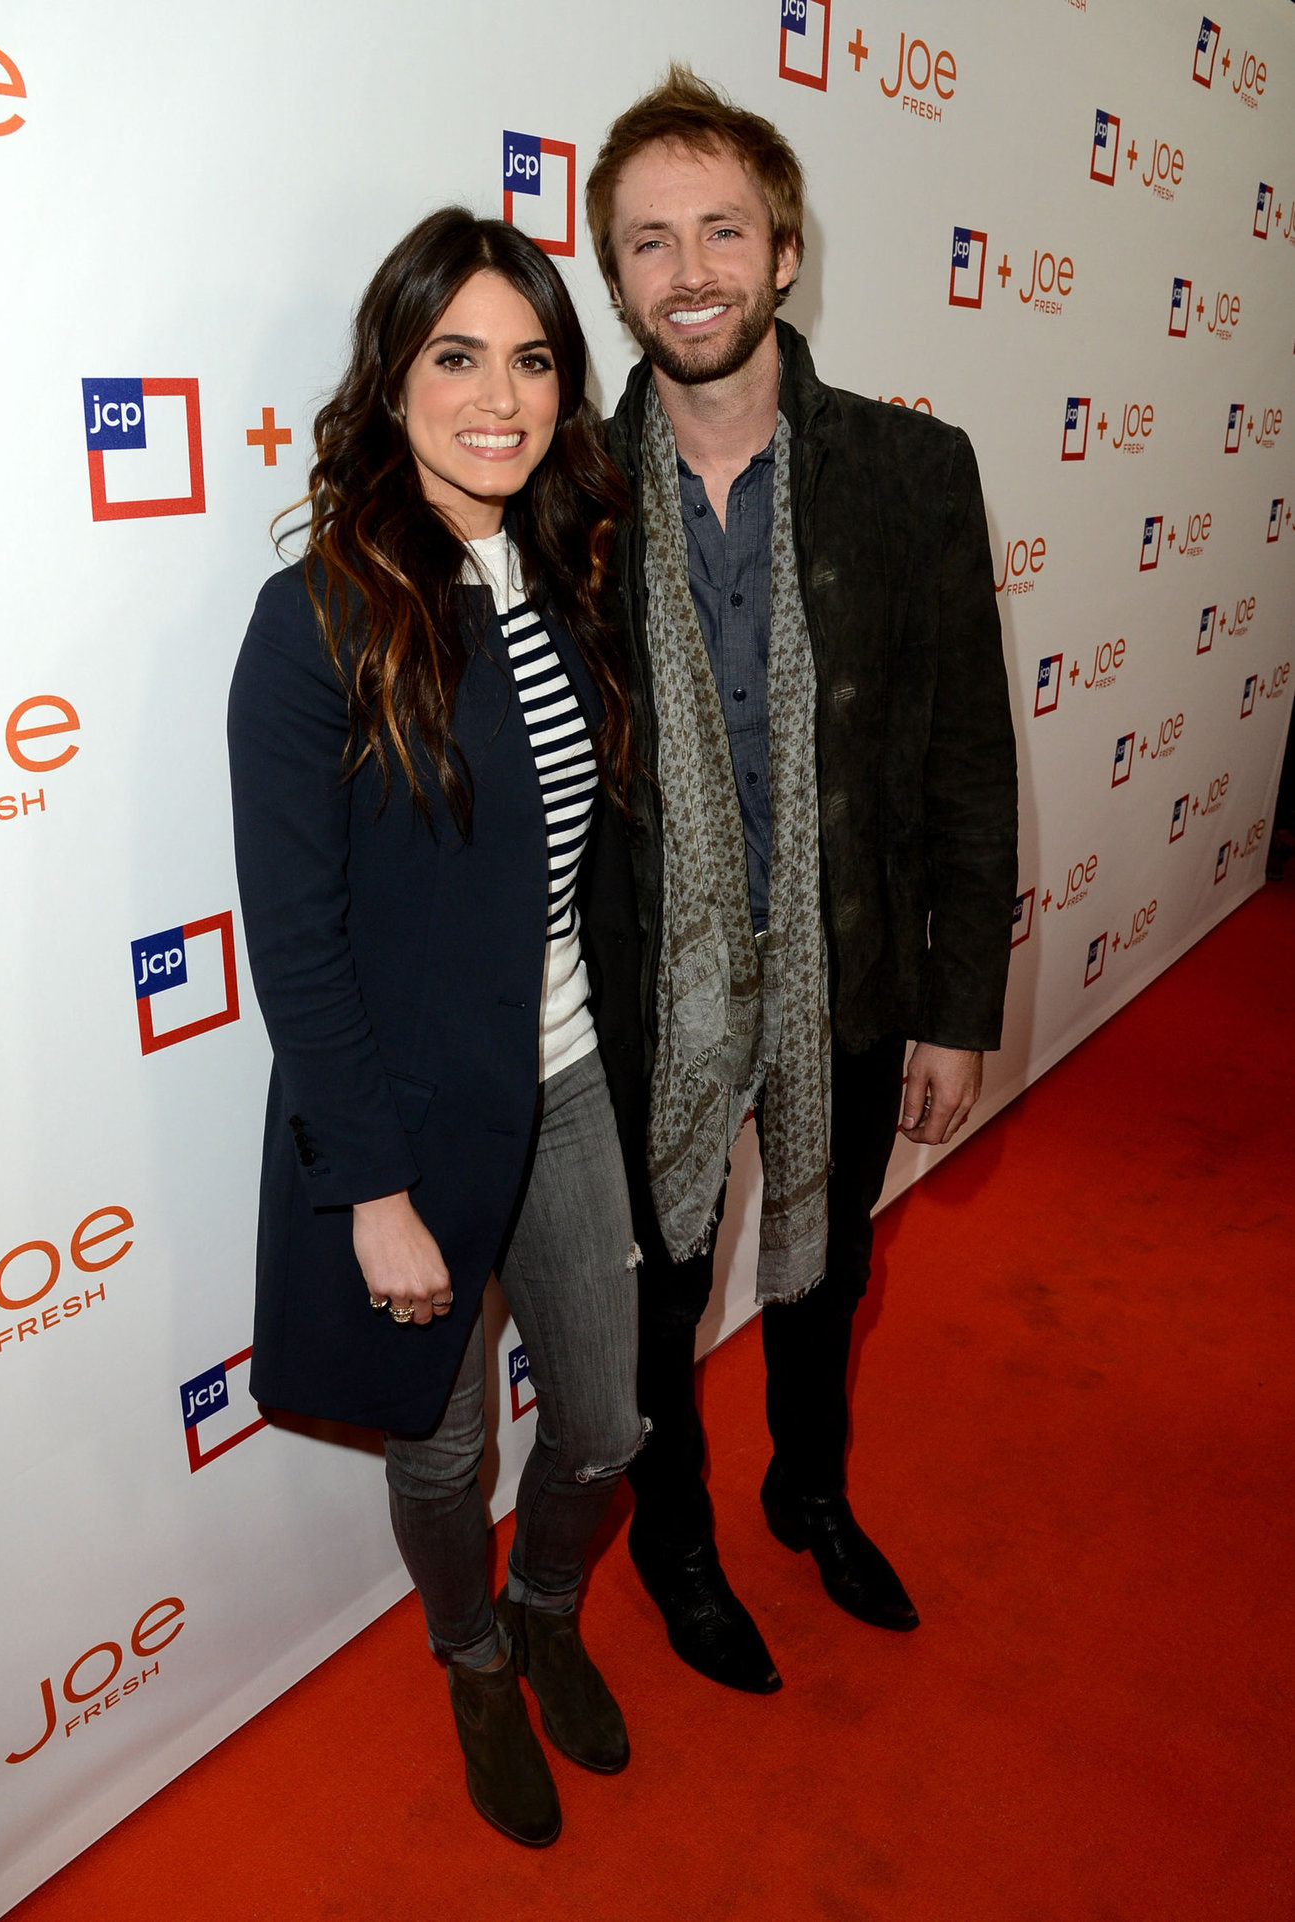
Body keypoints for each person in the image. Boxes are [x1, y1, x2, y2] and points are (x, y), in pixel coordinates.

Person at [582, 71, 1018, 1692]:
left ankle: (808, 1489)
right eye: (646, 242)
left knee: (826, 1272)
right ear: (613, 277)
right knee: (661, 1295)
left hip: (849, 963)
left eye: (720, 233)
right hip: (646, 996)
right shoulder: (564, 497)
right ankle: (676, 1535)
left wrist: (956, 1004)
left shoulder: (916, 474)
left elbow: (970, 760)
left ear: (783, 254)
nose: (686, 271)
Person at [227, 207, 646, 1847]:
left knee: (606, 1422)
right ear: (392, 381)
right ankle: (472, 1650)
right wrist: (372, 1187)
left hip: (568, 1079)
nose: (501, 394)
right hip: (414, 1124)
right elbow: (298, 940)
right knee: (440, 1444)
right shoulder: (319, 613)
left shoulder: (562, 575)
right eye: (457, 354)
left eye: (533, 357)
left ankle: (546, 1601)